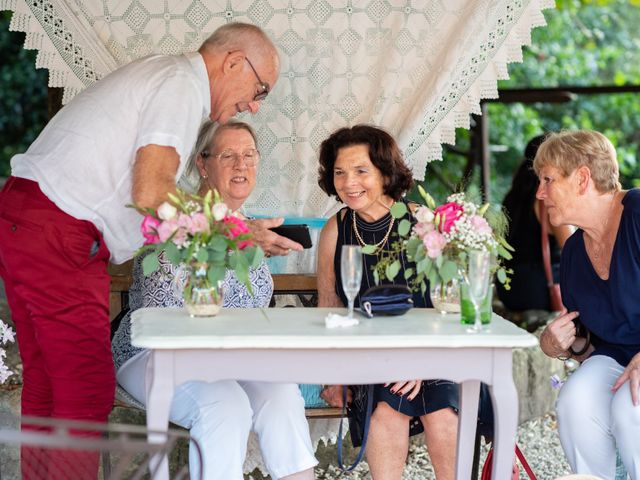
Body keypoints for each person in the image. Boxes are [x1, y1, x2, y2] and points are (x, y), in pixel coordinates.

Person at [0, 22, 301, 477]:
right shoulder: (183, 85)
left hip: (30, 217)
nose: (255, 106)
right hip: (58, 229)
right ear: (234, 61)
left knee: (49, 383)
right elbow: (151, 193)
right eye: (260, 89)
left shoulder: (167, 78)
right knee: (83, 389)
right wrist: (236, 234)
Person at [112, 120, 317, 480]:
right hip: (155, 355)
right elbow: (164, 306)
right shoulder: (175, 219)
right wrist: (231, 241)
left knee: (282, 396)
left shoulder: (253, 228)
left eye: (249, 155)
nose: (242, 165)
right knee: (225, 404)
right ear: (203, 165)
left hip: (230, 359)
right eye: (229, 155)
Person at [315, 124, 463, 480]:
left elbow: (452, 304)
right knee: (386, 412)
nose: (349, 182)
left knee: (443, 414)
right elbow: (329, 304)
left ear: (385, 172)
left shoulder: (424, 222)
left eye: (361, 170)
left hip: (433, 349)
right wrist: (335, 376)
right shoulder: (335, 230)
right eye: (340, 172)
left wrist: (421, 360)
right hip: (370, 355)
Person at [534, 130, 640, 478]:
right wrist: (558, 343)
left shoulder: (638, 214)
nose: (540, 193)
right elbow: (591, 342)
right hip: (617, 359)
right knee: (575, 401)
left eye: (548, 180)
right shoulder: (576, 253)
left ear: (582, 178)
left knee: (630, 408)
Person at [497, 135, 573, 312]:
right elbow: (572, 248)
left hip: (508, 287)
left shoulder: (512, 196)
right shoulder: (548, 199)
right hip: (539, 290)